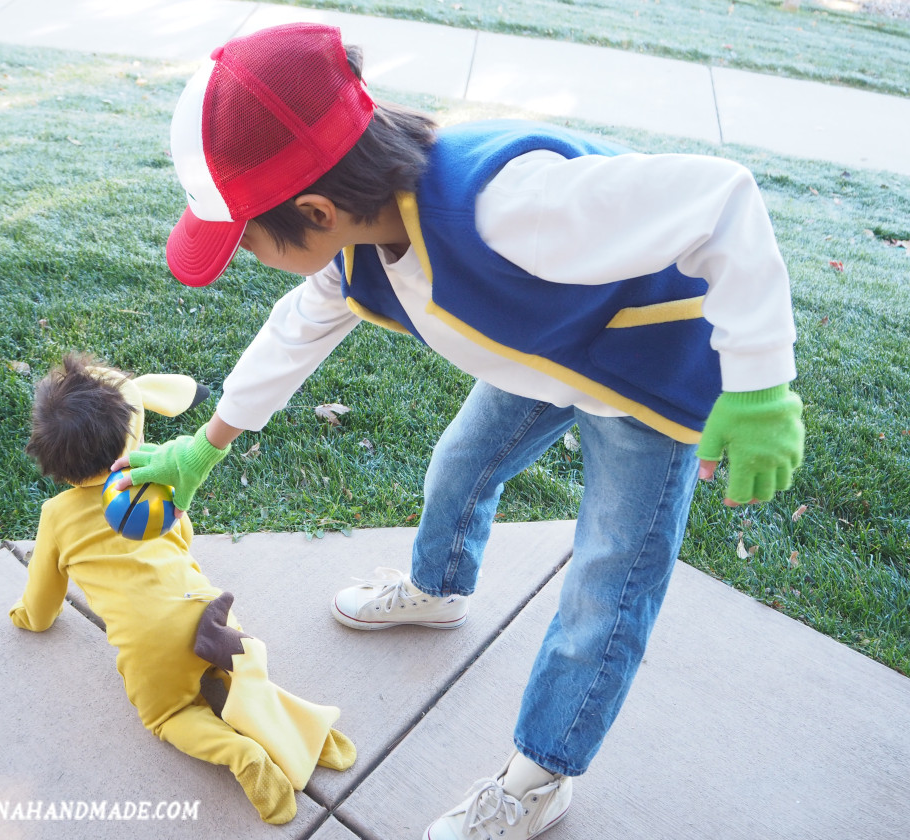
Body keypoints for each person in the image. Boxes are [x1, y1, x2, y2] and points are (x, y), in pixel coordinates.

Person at [112, 23, 804, 840]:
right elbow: (295, 333)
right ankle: (439, 589)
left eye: (246, 241)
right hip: (545, 353)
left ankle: (541, 775)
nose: (248, 257)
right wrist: (205, 444)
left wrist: (761, 382)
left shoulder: (509, 202)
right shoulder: (352, 248)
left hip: (645, 375)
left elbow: (723, 198)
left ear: (316, 209)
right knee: (460, 464)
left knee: (607, 584)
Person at [10, 353, 355, 825]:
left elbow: (45, 601)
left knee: (170, 715)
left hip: (150, 645)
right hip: (208, 607)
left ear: (54, 464)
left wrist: (28, 618)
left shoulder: (56, 515)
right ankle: (298, 726)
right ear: (131, 438)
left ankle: (238, 754)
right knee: (235, 666)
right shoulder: (158, 488)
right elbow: (184, 541)